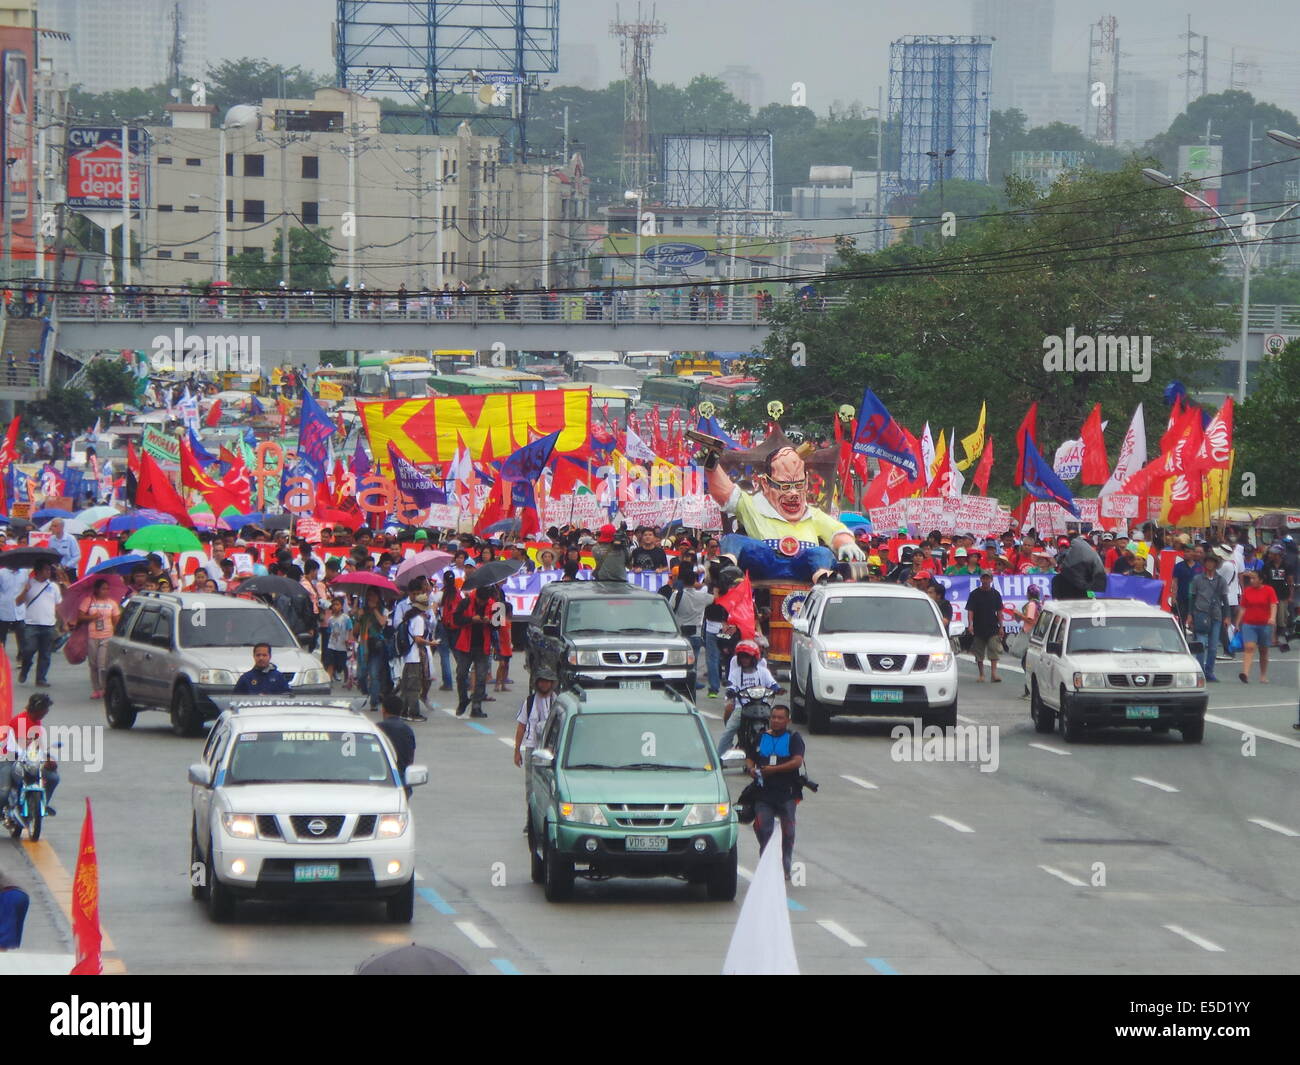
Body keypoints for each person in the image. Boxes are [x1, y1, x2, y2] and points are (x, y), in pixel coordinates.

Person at [745, 704, 805, 881]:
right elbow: (750, 756)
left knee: (788, 832)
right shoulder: (761, 737)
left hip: (787, 793)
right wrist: (750, 768)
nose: (776, 720)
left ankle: (785, 867)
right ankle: (766, 865)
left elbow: (797, 761)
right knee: (764, 830)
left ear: (788, 720)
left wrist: (775, 769)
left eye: (780, 718)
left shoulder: (794, 738)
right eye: (774, 717)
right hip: (763, 794)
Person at [716, 640, 780, 759]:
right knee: (729, 730)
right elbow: (731, 686)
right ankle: (718, 759)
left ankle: (779, 757)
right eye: (742, 657)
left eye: (747, 657)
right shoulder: (735, 673)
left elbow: (772, 683)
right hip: (742, 708)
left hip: (763, 707)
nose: (744, 659)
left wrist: (777, 688)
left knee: (777, 727)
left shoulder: (764, 672)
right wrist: (730, 691)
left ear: (754, 658)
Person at [1, 692, 60, 815]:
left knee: (53, 777)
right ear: (37, 708)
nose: (46, 712)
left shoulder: (36, 721)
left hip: (27, 759)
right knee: (3, 794)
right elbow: (24, 744)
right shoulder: (20, 720)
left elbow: (36, 744)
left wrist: (48, 758)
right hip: (9, 758)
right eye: (45, 709)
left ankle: (41, 805)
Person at [669, 564, 713, 694]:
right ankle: (692, 684)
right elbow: (715, 597)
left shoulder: (677, 595)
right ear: (695, 581)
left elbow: (670, 609)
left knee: (678, 663)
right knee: (693, 663)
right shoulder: (702, 596)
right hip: (696, 634)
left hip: (680, 634)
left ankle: (678, 684)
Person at [452, 585, 496, 718]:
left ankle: (476, 706)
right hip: (466, 645)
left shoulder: (495, 605)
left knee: (481, 677)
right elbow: (456, 620)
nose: (482, 603)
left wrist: (490, 622)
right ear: (476, 597)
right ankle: (463, 700)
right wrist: (471, 620)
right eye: (480, 600)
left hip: (483, 646)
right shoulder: (465, 602)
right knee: (461, 674)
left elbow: (499, 625)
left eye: (485, 601)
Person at [17, 561, 62, 687]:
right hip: (32, 624)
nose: (49, 572)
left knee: (45, 653)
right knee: (28, 650)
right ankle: (25, 668)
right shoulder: (28, 584)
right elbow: (18, 602)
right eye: (46, 570)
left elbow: (58, 605)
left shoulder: (53, 586)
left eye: (49, 570)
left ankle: (41, 678)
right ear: (38, 571)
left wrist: (63, 622)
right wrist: (25, 592)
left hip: (48, 624)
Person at [79, 578, 121, 699]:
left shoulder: (112, 603)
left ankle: (104, 687)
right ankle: (96, 689)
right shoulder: (88, 601)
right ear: (97, 589)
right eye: (103, 588)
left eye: (107, 588)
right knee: (93, 664)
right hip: (92, 635)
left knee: (102, 664)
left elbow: (116, 620)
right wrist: (92, 617)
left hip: (107, 636)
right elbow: (80, 616)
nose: (106, 591)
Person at [1189, 554, 1229, 683]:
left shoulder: (1221, 580)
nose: (1210, 565)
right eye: (1207, 562)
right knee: (1200, 644)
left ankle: (1209, 671)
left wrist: (1227, 616)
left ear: (1216, 565)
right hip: (1200, 614)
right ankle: (1200, 671)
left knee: (1213, 647)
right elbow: (1192, 597)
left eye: (1212, 562)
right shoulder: (1197, 579)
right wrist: (1190, 615)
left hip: (1216, 615)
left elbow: (1225, 599)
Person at [1235, 568, 1278, 684]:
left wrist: (1272, 618)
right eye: (1250, 578)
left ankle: (1263, 675)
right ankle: (1245, 673)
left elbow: (1273, 605)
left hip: (1265, 624)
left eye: (1254, 578)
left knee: (1263, 650)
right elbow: (1243, 608)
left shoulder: (1269, 590)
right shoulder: (1247, 591)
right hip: (1249, 623)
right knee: (1249, 647)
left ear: (1261, 580)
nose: (1251, 580)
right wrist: (1238, 622)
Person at [353, 588, 391, 712]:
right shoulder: (362, 611)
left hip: (376, 646)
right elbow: (355, 631)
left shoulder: (383, 610)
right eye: (368, 596)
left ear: (378, 597)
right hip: (364, 646)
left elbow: (382, 623)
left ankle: (374, 702)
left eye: (373, 596)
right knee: (361, 675)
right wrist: (359, 618)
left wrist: (374, 609)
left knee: (374, 674)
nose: (371, 598)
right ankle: (366, 691)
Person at [397, 592, 433, 721]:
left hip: (408, 657)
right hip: (415, 657)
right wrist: (430, 643)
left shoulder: (409, 617)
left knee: (406, 686)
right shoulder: (418, 619)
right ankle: (413, 713)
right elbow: (418, 639)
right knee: (414, 687)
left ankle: (403, 711)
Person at [964, 571, 1004, 682]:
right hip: (978, 627)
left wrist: (1001, 627)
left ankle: (994, 674)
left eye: (988, 578)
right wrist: (970, 624)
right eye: (984, 578)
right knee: (979, 652)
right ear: (981, 579)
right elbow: (970, 611)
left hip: (992, 627)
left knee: (994, 649)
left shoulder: (996, 594)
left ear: (991, 580)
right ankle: (981, 674)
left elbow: (1000, 612)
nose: (986, 581)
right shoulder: (974, 594)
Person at [376, 694, 416, 797]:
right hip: (402, 783)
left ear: (383, 710)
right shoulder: (407, 730)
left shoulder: (377, 729)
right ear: (401, 710)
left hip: (379, 781)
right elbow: (410, 758)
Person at [323, 599, 352, 684]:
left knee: (342, 664)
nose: (335, 607)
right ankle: (328, 680)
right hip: (332, 645)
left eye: (337, 604)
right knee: (330, 663)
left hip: (342, 645)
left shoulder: (346, 618)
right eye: (334, 605)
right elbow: (329, 631)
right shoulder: (330, 619)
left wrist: (349, 640)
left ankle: (346, 679)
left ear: (341, 606)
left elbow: (350, 629)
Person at [0, 562, 26, 654]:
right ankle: (2, 658)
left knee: (21, 636)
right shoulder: (2, 573)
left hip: (19, 610)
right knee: (2, 637)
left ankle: (21, 657)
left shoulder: (24, 573)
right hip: (4, 610)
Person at [0, 871, 29, 951]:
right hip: (22, 895)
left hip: (8, 894)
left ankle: (3, 960)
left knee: (2, 938)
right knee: (6, 937)